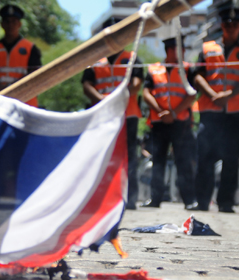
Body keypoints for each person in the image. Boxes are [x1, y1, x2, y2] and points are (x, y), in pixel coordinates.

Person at [192, 7, 239, 213]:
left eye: (235, 24)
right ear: (222, 25)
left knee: (231, 158)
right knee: (205, 157)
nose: (231, 27)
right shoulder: (208, 48)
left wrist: (229, 95)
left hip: (237, 112)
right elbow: (197, 75)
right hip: (211, 111)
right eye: (227, 24)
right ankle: (202, 201)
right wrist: (212, 94)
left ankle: (226, 202)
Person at [81, 17, 143, 210]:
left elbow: (137, 84)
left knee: (129, 157)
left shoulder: (133, 59)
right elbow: (86, 84)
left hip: (127, 115)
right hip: (102, 116)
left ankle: (130, 198)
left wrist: (117, 97)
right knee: (100, 156)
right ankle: (100, 196)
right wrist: (101, 99)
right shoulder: (94, 60)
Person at [140, 37, 197, 210]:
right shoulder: (153, 69)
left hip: (180, 123)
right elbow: (146, 93)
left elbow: (192, 94)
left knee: (183, 162)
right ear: (169, 50)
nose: (183, 52)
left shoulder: (188, 69)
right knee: (158, 162)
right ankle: (155, 199)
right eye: (179, 49)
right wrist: (161, 112)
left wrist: (173, 113)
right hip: (159, 122)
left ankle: (189, 200)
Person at [0, 4, 42, 107]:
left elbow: (36, 74)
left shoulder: (30, 48)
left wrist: (13, 89)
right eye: (7, 21)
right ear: (2, 24)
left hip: (24, 103)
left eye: (14, 21)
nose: (10, 25)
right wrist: (0, 88)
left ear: (19, 24)